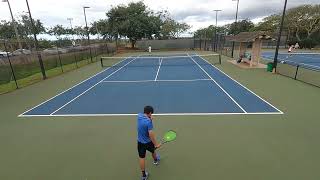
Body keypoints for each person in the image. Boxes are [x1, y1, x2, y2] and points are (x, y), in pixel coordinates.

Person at [137, 106, 161, 180]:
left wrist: (150, 119)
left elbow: (144, 120)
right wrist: (156, 144)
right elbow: (151, 134)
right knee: (153, 150)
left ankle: (144, 175)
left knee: (142, 158)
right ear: (150, 113)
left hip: (139, 142)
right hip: (147, 142)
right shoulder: (148, 123)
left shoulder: (139, 115)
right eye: (151, 113)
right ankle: (155, 161)